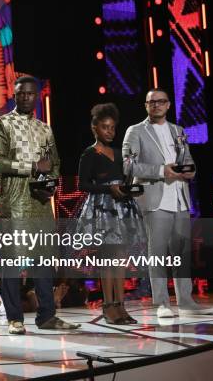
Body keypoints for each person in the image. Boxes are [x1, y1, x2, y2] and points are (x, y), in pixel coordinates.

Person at [0, 76, 80, 334]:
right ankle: (14, 318)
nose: (26, 97)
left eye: (30, 93)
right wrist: (31, 167)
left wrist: (49, 182)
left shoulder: (44, 129)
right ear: (14, 96)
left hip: (39, 201)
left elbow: (56, 163)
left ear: (37, 96)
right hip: (14, 203)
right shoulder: (2, 124)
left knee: (43, 262)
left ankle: (47, 316)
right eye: (20, 94)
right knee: (12, 263)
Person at [122, 88, 213, 318]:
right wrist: (162, 171)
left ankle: (186, 300)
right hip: (155, 199)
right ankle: (162, 303)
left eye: (161, 102)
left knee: (181, 252)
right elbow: (128, 166)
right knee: (158, 252)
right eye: (152, 102)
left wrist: (190, 171)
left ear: (168, 105)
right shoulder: (136, 131)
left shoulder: (178, 130)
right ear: (146, 105)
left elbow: (188, 160)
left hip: (180, 198)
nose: (156, 105)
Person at [77, 103, 147, 324]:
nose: (109, 131)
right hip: (102, 210)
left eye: (112, 128)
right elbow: (83, 185)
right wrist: (109, 188)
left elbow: (127, 179)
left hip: (121, 209)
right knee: (107, 261)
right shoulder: (89, 154)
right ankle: (108, 306)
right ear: (94, 128)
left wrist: (130, 189)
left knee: (120, 260)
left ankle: (121, 306)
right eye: (105, 127)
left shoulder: (119, 153)